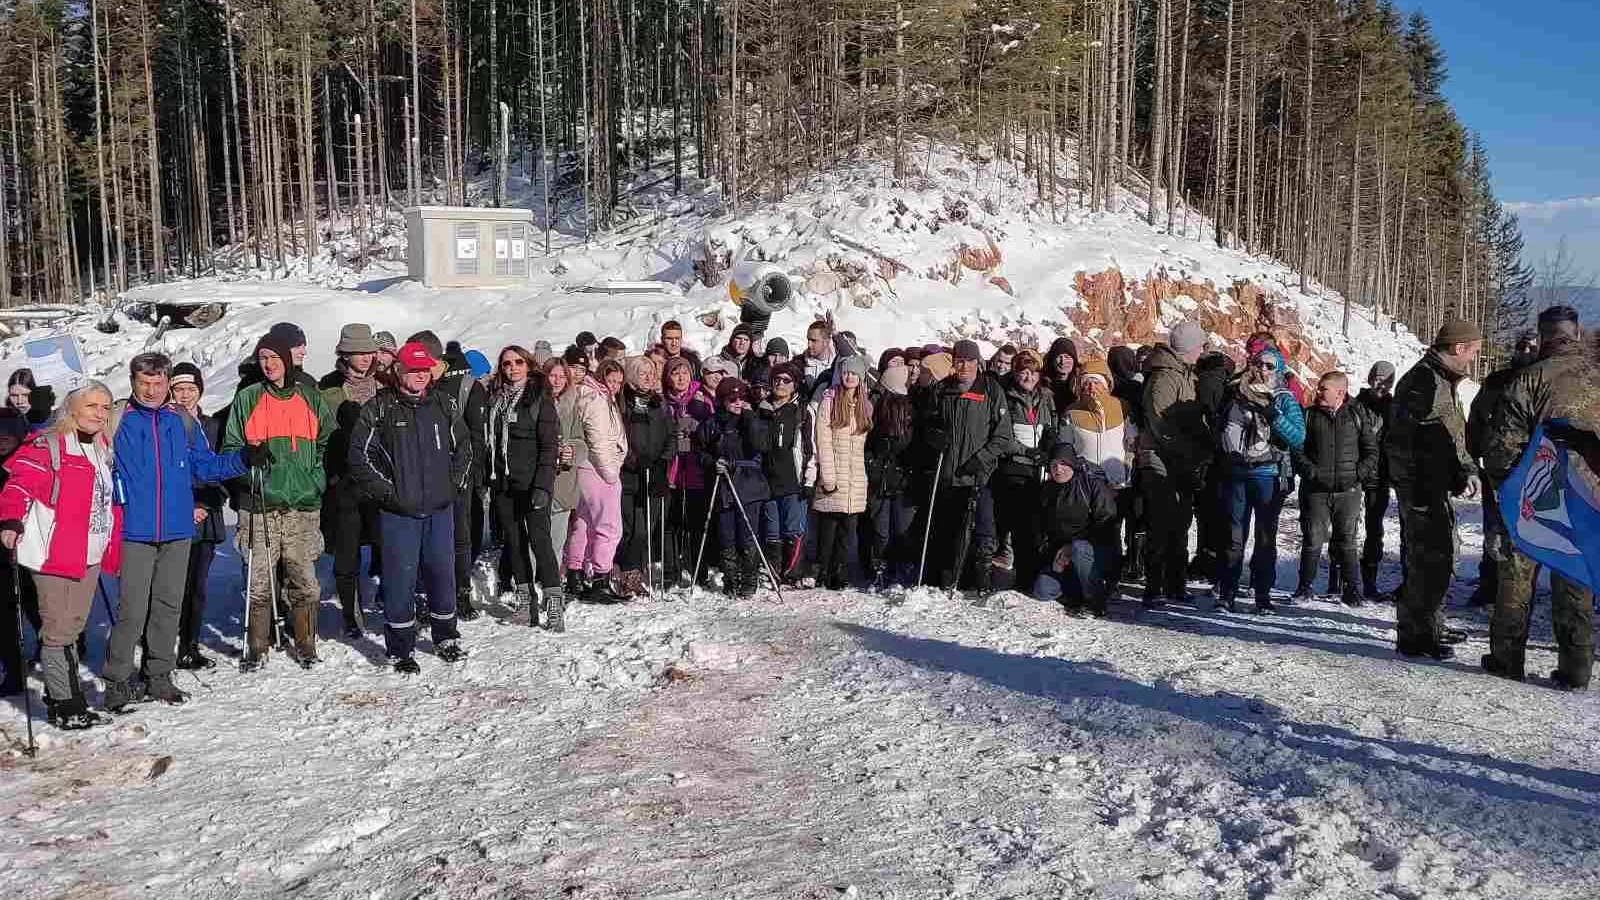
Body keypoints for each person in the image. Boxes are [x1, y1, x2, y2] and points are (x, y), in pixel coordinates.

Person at [102, 354, 253, 709]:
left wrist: (244, 458)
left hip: (177, 529)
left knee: (169, 605)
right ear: (133, 381)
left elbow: (206, 465)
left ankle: (159, 676)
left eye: (158, 384)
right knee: (132, 610)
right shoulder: (118, 419)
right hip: (134, 530)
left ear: (166, 384)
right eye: (144, 383)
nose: (151, 390)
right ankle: (117, 681)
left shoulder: (181, 421)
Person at [1480, 307, 1595, 688]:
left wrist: (1506, 489)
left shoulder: (1529, 380)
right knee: (1575, 575)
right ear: (1576, 334)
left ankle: (1506, 659)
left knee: (1516, 578)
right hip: (1589, 500)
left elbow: (1500, 448)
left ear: (1544, 337)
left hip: (1535, 494)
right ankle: (1577, 667)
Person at [0, 383, 122, 728]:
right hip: (54, 552)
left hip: (90, 550)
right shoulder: (47, 445)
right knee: (57, 630)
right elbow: (18, 484)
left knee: (74, 626)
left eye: (105, 406)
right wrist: (10, 518)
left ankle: (68, 696)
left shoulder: (101, 445)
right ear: (72, 409)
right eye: (92, 406)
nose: (100, 413)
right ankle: (65, 704)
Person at [347, 342, 471, 673]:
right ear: (399, 371)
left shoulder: (444, 405)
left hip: (439, 510)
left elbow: (464, 450)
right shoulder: (379, 409)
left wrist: (452, 487)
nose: (418, 376)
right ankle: (400, 648)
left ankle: (446, 636)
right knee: (400, 579)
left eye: (423, 370)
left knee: (442, 574)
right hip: (398, 513)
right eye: (412, 370)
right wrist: (390, 495)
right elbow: (359, 458)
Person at [222, 329, 336, 671]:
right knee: (259, 579)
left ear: (286, 360)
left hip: (301, 505)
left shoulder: (310, 397)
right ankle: (257, 645)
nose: (269, 364)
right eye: (263, 358)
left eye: (274, 358)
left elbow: (327, 443)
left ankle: (305, 642)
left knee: (304, 578)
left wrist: (315, 477)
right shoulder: (248, 398)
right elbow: (229, 446)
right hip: (260, 504)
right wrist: (246, 461)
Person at [1384, 318, 1481, 660]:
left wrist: (1462, 468)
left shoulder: (1440, 380)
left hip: (1430, 484)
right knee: (1428, 559)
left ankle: (1428, 625)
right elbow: (1417, 441)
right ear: (1457, 349)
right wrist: (1444, 475)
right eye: (1471, 353)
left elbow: (1448, 435)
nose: (1471, 360)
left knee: (1435, 557)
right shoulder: (1425, 381)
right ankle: (1416, 635)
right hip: (1422, 486)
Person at [912, 340, 1011, 592]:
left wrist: (981, 459)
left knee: (981, 532)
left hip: (979, 475)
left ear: (978, 362)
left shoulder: (990, 390)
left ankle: (979, 580)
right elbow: (927, 422)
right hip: (947, 474)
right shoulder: (943, 389)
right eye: (959, 360)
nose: (964, 365)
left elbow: (1002, 436)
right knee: (947, 530)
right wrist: (934, 435)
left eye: (969, 360)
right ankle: (944, 577)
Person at [1214, 348, 1305, 613]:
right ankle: (1226, 592)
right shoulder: (1237, 394)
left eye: (1268, 365)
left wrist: (1272, 414)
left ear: (1278, 370)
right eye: (1258, 364)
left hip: (1270, 474)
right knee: (1233, 537)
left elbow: (1298, 438)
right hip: (1238, 473)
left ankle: (1262, 595)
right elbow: (1224, 429)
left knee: (1265, 538)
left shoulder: (1285, 400)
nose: (1262, 370)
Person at [410, 331, 490, 621]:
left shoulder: (467, 387)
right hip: (424, 477)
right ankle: (427, 593)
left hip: (459, 476)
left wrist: (469, 474)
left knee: (460, 536)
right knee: (426, 538)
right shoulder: (421, 387)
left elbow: (478, 438)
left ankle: (461, 594)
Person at [1136, 321, 1211, 608]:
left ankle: (1175, 584)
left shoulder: (1184, 373)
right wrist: (1186, 450)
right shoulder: (1165, 377)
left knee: (1179, 524)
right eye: (1200, 345)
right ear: (1189, 348)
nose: (1203, 350)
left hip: (1179, 460)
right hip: (1160, 459)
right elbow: (1160, 421)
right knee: (1161, 525)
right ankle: (1154, 587)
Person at [487, 345, 562, 628]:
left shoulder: (539, 399)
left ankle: (554, 604)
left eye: (519, 362)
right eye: (507, 364)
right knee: (514, 542)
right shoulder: (497, 399)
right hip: (504, 483)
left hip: (533, 483)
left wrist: (543, 485)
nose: (513, 368)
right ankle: (525, 602)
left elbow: (549, 446)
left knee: (540, 542)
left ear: (529, 365)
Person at [320, 324, 385, 637]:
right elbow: (320, 438)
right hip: (343, 486)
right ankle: (351, 613)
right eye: (358, 352)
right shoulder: (327, 391)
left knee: (388, 547)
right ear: (344, 354)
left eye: (369, 351)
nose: (365, 357)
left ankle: (390, 603)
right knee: (347, 554)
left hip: (380, 484)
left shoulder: (385, 386)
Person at [1292, 372, 1378, 606]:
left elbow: (1371, 450)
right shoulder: (1308, 415)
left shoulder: (1356, 414)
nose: (1318, 392)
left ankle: (1353, 591)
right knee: (1312, 539)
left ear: (1340, 392)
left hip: (1348, 492)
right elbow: (1297, 450)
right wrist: (1311, 473)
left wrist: (1357, 475)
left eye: (1323, 389)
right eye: (1319, 388)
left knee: (1347, 540)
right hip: (1315, 490)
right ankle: (1304, 588)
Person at [1465, 335, 1539, 608]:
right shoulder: (1496, 382)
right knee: (1493, 530)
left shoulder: (1543, 380)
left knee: (1527, 533)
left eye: (1532, 346)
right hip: (1496, 470)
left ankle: (1522, 591)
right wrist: (1473, 461)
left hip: (1533, 472)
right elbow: (1475, 421)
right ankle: (1489, 585)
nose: (1526, 351)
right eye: (1521, 346)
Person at [169, 363, 233, 670]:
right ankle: (162, 643)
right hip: (171, 515)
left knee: (197, 585)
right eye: (178, 389)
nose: (184, 396)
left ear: (200, 392)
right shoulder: (164, 425)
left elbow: (222, 470)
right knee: (171, 585)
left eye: (190, 389)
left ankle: (189, 645)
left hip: (204, 516)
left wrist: (205, 505)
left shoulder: (212, 427)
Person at [698, 377, 771, 596]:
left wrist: (749, 417)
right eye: (733, 399)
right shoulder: (712, 423)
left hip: (749, 484)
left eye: (742, 398)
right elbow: (700, 452)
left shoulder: (752, 420)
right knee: (726, 534)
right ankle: (731, 578)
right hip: (723, 486)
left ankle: (749, 578)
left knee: (747, 534)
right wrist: (712, 463)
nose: (738, 403)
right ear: (722, 401)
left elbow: (760, 445)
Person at [564, 358, 629, 601]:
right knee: (609, 526)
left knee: (584, 522)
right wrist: (610, 472)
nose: (615, 386)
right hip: (599, 468)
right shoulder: (597, 400)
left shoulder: (591, 394)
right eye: (611, 380)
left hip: (587, 467)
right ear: (602, 377)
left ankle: (575, 572)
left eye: (619, 382)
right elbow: (599, 439)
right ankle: (601, 577)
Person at [1031, 445, 1120, 616]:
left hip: (1096, 552)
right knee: (1043, 591)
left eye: (1063, 464)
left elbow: (1107, 525)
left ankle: (1095, 601)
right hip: (1064, 556)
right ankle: (1076, 592)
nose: (1058, 469)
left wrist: (1073, 546)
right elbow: (1041, 532)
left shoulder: (1091, 484)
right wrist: (1054, 558)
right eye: (1053, 465)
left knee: (1080, 549)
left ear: (1072, 464)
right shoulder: (1046, 491)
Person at [993, 350, 1057, 588]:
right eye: (1023, 372)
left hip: (1039, 468)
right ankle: (1022, 576)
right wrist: (1026, 451)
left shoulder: (1046, 397)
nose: (1028, 377)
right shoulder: (1006, 397)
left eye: (1032, 372)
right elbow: (1003, 435)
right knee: (1020, 524)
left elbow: (1052, 424)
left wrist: (1050, 439)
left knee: (1036, 525)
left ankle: (1033, 573)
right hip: (1015, 467)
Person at [813, 356, 872, 590]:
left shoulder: (864, 405)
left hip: (855, 478)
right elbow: (823, 440)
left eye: (854, 374)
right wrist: (828, 476)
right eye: (846, 373)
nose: (850, 377)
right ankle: (824, 572)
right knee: (828, 530)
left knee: (847, 532)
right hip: (834, 474)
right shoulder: (830, 400)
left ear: (860, 378)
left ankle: (840, 572)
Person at [619, 356, 673, 595]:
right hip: (630, 474)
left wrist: (663, 462)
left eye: (651, 372)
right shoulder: (623, 404)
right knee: (632, 528)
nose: (649, 377)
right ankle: (626, 573)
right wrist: (634, 460)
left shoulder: (659, 404)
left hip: (654, 473)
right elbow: (618, 438)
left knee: (647, 528)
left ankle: (636, 572)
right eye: (642, 373)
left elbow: (671, 435)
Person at [759, 361, 814, 583]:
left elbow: (810, 448)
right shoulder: (762, 410)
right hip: (768, 479)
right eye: (776, 380)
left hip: (793, 478)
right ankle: (774, 572)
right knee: (772, 530)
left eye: (786, 380)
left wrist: (809, 478)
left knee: (793, 529)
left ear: (794, 385)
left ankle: (793, 573)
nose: (780, 384)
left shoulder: (802, 411)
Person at [864, 364, 918, 587]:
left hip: (901, 479)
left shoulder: (912, 411)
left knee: (899, 529)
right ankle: (881, 569)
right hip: (882, 479)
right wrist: (871, 464)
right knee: (882, 530)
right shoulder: (877, 408)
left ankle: (897, 569)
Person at [663, 357, 714, 586]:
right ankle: (671, 572)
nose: (681, 377)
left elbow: (712, 431)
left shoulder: (701, 398)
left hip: (695, 469)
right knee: (672, 524)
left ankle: (699, 570)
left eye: (684, 372)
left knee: (695, 523)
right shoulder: (664, 401)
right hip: (672, 470)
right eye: (675, 373)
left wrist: (697, 427)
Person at [1353, 361, 1396, 600]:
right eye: (1378, 378)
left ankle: (1369, 582)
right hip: (1355, 472)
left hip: (1380, 476)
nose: (1382, 384)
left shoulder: (1395, 408)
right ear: (1370, 378)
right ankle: (1340, 581)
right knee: (1345, 528)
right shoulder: (1356, 405)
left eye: (1388, 380)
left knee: (1374, 530)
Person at [0, 409, 35, 696]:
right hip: (3, 554)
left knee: (34, 605)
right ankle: (13, 671)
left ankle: (74, 646)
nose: (2, 439)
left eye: (8, 433)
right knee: (6, 615)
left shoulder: (28, 462)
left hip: (30, 549)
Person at [545, 358, 581, 576]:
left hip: (563, 480)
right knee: (535, 540)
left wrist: (573, 450)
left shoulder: (572, 404)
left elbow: (580, 440)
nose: (557, 380)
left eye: (561, 376)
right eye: (552, 375)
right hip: (537, 479)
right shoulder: (535, 402)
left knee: (557, 541)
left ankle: (553, 588)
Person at [1043, 337, 1081, 416]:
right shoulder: (1041, 383)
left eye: (1067, 357)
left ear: (1074, 360)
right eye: (1059, 357)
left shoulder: (1082, 383)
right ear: (1052, 359)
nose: (1062, 361)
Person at [801, 319, 836, 395]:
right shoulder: (800, 363)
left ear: (826, 342)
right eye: (808, 340)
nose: (809, 345)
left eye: (814, 341)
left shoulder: (839, 362)